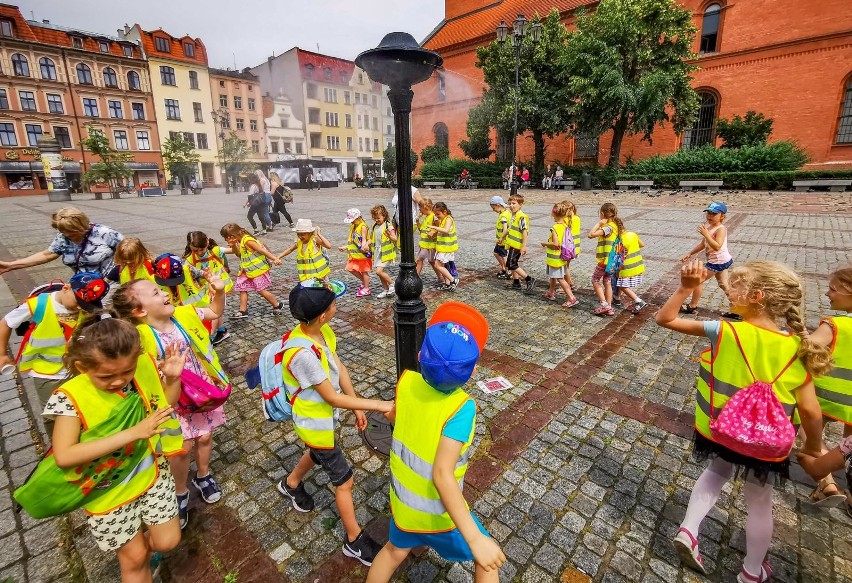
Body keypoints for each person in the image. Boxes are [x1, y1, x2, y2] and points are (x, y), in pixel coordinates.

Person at [655, 260, 829, 583]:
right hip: (766, 442)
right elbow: (811, 412)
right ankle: (752, 571)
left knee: (715, 472)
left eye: (736, 286)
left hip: (721, 431)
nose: (728, 290)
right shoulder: (796, 348)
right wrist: (815, 448)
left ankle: (689, 530)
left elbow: (664, 319)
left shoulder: (724, 329)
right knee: (760, 500)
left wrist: (684, 288)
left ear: (756, 296)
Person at [366, 302, 505, 582]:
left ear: (419, 356)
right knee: (489, 563)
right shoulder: (461, 409)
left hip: (404, 505)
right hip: (439, 516)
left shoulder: (406, 382)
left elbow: (400, 422)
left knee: (393, 551)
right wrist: (475, 538)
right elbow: (442, 475)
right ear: (473, 372)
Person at [44, 314, 185, 582]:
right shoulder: (69, 397)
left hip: (151, 474)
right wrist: (134, 432)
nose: (118, 380)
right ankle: (137, 558)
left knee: (167, 541)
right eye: (107, 375)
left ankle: (142, 550)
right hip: (106, 490)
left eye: (126, 372)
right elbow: (64, 456)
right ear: (81, 366)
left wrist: (172, 380)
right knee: (133, 560)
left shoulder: (141, 368)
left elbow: (163, 410)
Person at [277, 282, 393, 565]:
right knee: (345, 480)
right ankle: (353, 540)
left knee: (316, 453)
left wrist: (356, 404)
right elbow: (330, 397)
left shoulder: (321, 332)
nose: (336, 306)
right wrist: (378, 404)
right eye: (333, 304)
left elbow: (339, 367)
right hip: (314, 422)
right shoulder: (303, 354)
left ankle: (291, 483)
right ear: (322, 315)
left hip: (323, 421)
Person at [112, 274, 228, 531]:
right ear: (139, 311)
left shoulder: (185, 314)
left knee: (205, 437)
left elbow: (212, 311)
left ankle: (203, 475)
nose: (165, 294)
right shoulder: (137, 338)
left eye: (160, 290)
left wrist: (218, 292)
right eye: (155, 293)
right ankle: (179, 491)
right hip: (169, 400)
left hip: (199, 392)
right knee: (181, 448)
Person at [0, 272, 109, 422]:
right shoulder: (39, 304)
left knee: (79, 408)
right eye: (77, 301)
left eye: (85, 305)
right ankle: (57, 444)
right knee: (53, 415)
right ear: (66, 288)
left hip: (77, 369)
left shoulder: (86, 309)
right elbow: (5, 323)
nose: (79, 307)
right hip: (46, 373)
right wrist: (2, 354)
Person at [805, 267, 852, 505]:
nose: (827, 294)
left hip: (824, 397)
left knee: (810, 434)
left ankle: (827, 483)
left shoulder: (835, 325)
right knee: (849, 445)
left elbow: (806, 348)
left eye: (833, 289)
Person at [0, 207, 124, 279]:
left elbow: (133, 251)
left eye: (72, 231)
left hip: (110, 283)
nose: (68, 235)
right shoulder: (62, 238)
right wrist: (11, 265)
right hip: (82, 284)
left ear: (83, 225)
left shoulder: (105, 233)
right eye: (63, 231)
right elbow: (47, 255)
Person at [680, 202, 739, 320]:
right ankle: (738, 310)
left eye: (714, 214)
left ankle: (692, 306)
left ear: (722, 216)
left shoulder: (721, 229)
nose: (709, 216)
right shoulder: (709, 228)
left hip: (717, 262)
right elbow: (703, 244)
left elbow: (717, 246)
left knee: (697, 280)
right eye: (708, 213)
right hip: (721, 261)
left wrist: (706, 234)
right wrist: (690, 253)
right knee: (724, 285)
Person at [219, 223, 283, 318]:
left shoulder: (247, 240)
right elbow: (239, 254)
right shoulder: (239, 241)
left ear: (232, 236)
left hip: (256, 269)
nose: (225, 240)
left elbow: (262, 250)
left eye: (226, 237)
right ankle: (243, 311)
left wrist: (274, 258)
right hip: (245, 270)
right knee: (242, 288)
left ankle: (277, 305)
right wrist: (233, 245)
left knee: (260, 290)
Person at [184, 231, 234, 345]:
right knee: (213, 310)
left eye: (200, 249)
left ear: (207, 242)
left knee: (214, 311)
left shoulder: (215, 251)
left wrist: (235, 245)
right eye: (194, 250)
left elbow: (236, 251)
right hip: (206, 290)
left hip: (220, 288)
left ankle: (210, 336)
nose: (198, 253)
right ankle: (221, 331)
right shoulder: (189, 259)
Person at [540, 202, 579, 308]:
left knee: (560, 278)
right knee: (554, 276)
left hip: (555, 258)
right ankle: (551, 293)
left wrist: (545, 243)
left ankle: (571, 298)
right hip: (561, 257)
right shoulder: (565, 226)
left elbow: (556, 244)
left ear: (554, 214)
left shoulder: (555, 227)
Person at [587, 203, 622, 317]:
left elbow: (591, 235)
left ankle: (604, 304)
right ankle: (609, 307)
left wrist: (599, 224)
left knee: (595, 280)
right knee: (607, 282)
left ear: (602, 214)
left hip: (604, 261)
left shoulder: (608, 228)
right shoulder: (616, 226)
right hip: (612, 261)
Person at [278, 219, 332, 284]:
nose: (300, 236)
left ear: (310, 233)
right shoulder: (299, 242)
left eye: (303, 234)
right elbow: (290, 249)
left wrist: (319, 234)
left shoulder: (314, 240)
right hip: (307, 276)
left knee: (324, 290)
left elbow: (329, 246)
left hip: (320, 274)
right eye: (298, 234)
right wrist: (278, 257)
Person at [338, 209, 373, 297]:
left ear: (358, 218)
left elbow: (364, 239)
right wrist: (346, 247)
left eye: (352, 220)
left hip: (362, 254)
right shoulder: (353, 226)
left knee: (364, 271)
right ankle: (365, 282)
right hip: (354, 254)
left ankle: (366, 288)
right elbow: (354, 241)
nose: (351, 222)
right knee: (350, 268)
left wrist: (364, 246)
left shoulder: (363, 226)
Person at [505, 194, 535, 293]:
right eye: (510, 203)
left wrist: (524, 246)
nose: (511, 205)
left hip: (517, 244)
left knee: (511, 264)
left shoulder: (522, 216)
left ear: (520, 204)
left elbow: (524, 231)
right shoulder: (514, 215)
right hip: (512, 244)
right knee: (511, 264)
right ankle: (516, 282)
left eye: (514, 203)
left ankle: (529, 279)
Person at [614, 229, 648, 314]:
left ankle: (638, 301)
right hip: (638, 264)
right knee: (620, 281)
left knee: (622, 285)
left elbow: (618, 257)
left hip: (627, 266)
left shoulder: (618, 240)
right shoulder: (632, 234)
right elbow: (642, 244)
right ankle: (616, 297)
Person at [429, 202, 459, 291]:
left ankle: (453, 280)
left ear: (445, 211)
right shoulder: (443, 219)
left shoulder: (448, 219)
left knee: (437, 265)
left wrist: (435, 228)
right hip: (442, 248)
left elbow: (446, 230)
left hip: (446, 248)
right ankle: (447, 283)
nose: (436, 216)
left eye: (438, 214)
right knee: (443, 266)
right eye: (435, 214)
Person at [370, 205, 398, 298]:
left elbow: (395, 238)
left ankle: (392, 284)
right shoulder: (374, 226)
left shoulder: (388, 226)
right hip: (378, 253)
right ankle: (385, 290)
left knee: (379, 271)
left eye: (378, 218)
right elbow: (371, 238)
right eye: (375, 218)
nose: (376, 220)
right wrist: (366, 245)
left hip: (386, 253)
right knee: (380, 273)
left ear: (384, 216)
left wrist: (390, 236)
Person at [415, 198, 439, 279]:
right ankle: (416, 276)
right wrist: (417, 221)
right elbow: (421, 229)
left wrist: (433, 231)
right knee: (419, 260)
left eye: (420, 207)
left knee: (432, 262)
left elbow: (439, 227)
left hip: (430, 245)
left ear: (425, 207)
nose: (419, 209)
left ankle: (440, 276)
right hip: (423, 245)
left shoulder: (433, 217)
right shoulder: (426, 217)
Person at [489, 196, 511, 279]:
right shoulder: (504, 212)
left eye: (494, 208)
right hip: (500, 240)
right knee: (496, 253)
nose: (493, 210)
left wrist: (501, 238)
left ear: (498, 205)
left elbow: (505, 229)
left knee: (503, 255)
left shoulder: (503, 216)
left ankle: (507, 271)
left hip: (503, 240)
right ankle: (504, 268)